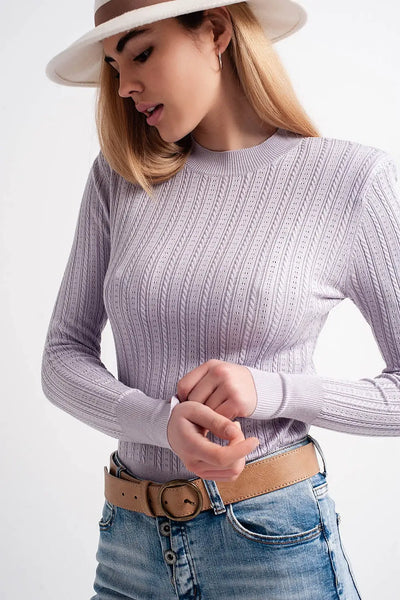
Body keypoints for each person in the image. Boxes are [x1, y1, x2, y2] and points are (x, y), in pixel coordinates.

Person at [41, 1, 400, 598]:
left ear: (214, 32)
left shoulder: (352, 180)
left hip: (269, 544)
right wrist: (160, 423)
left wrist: (272, 390)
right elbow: (61, 356)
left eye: (141, 52)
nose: (124, 86)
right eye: (113, 67)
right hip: (129, 547)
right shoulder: (120, 178)